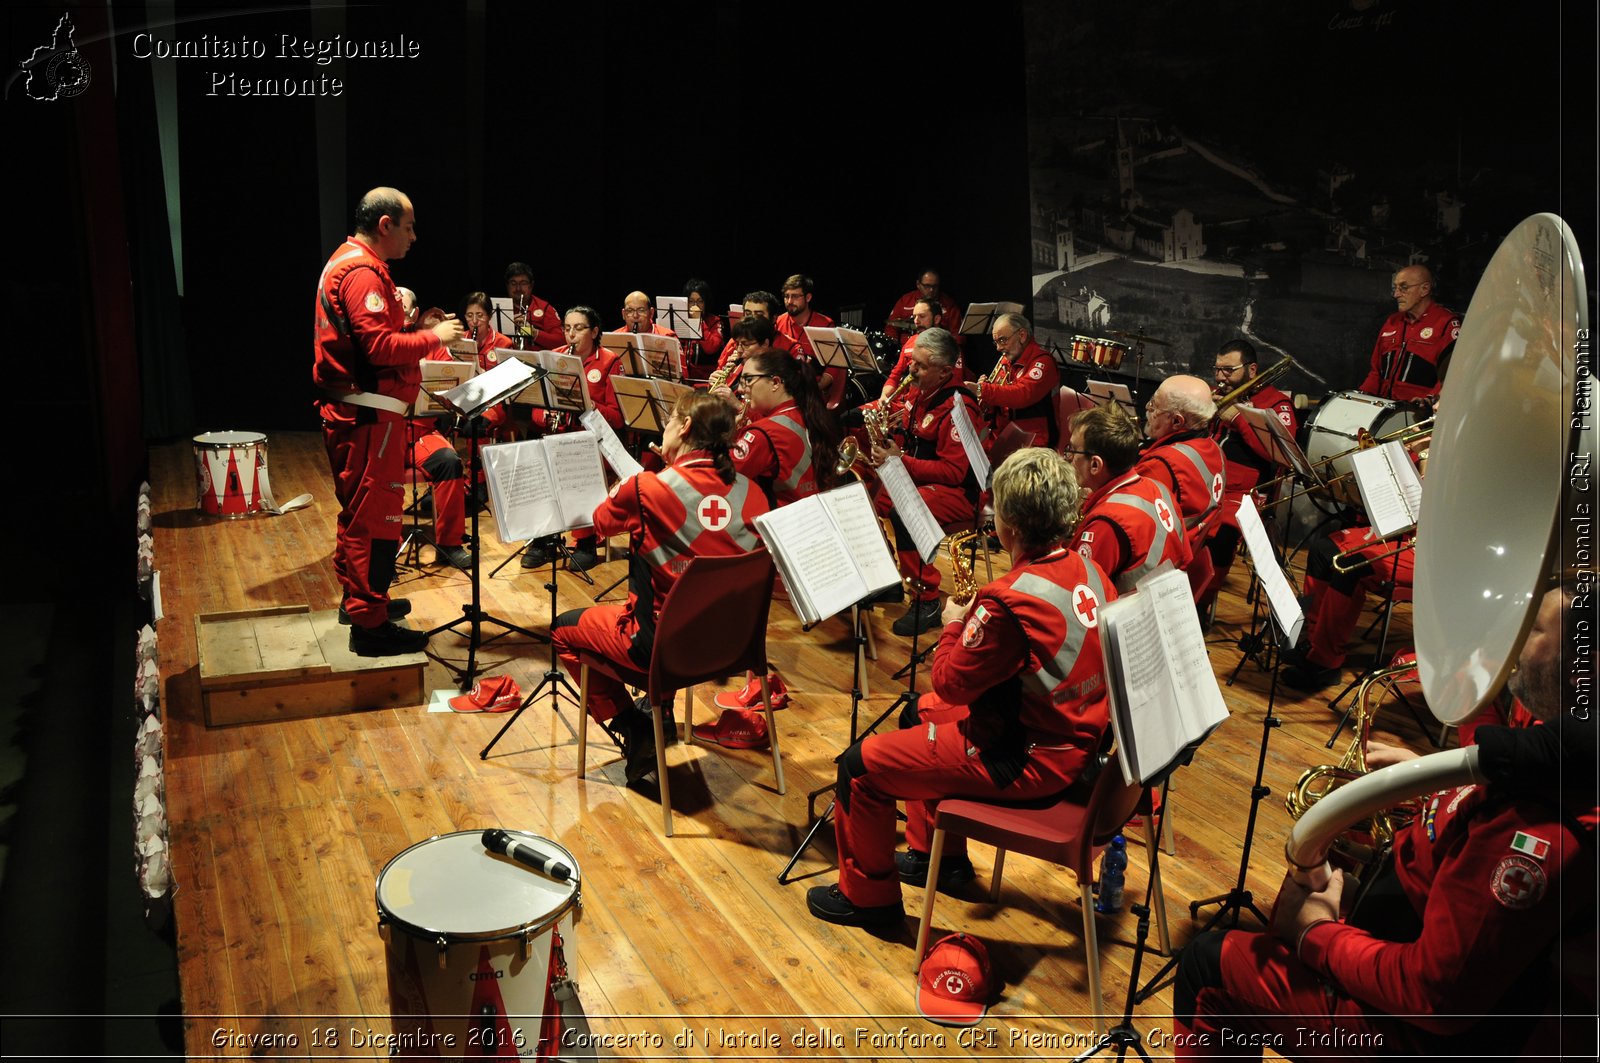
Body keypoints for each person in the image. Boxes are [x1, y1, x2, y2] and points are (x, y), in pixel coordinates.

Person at [1174, 581, 1595, 1059]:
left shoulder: (1543, 830)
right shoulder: (1559, 743)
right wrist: (1436, 782)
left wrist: (1316, 936)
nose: (1517, 641)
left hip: (1424, 1034)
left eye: (1536, 630)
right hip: (1415, 926)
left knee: (1206, 965)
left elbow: (1433, 997)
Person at [807, 447, 1114, 926]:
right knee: (916, 712)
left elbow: (950, 682)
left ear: (1008, 524)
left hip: (1024, 758)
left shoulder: (1010, 601)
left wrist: (953, 623)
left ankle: (869, 900)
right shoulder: (1090, 571)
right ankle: (940, 859)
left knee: (859, 769)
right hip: (1069, 739)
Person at [550, 393, 771, 782]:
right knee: (671, 603)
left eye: (668, 421)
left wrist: (641, 479)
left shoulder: (646, 488)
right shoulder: (754, 493)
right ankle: (659, 710)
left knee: (563, 630)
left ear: (684, 428)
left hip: (663, 654)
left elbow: (600, 524)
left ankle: (632, 723)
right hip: (733, 650)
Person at [312, 187, 465, 656]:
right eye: (410, 226)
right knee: (375, 524)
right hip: (368, 418)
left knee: (361, 516)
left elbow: (372, 341)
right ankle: (370, 627)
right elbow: (377, 349)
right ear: (385, 225)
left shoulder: (349, 262)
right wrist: (433, 337)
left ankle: (360, 603)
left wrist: (414, 332)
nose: (414, 237)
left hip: (365, 415)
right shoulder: (360, 272)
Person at [708, 349, 844, 729]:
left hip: (782, 548)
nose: (743, 386)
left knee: (705, 538)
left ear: (776, 382)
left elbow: (720, 475)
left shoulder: (765, 433)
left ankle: (747, 672)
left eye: (749, 380)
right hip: (812, 529)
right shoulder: (802, 415)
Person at [867, 327, 979, 637]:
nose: (911, 370)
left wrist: (899, 460)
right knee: (870, 499)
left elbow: (954, 473)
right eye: (912, 362)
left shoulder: (960, 408)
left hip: (960, 493)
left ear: (945, 371)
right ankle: (891, 580)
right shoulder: (919, 391)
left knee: (906, 510)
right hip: (922, 478)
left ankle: (927, 599)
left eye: (920, 366)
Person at [521, 305, 626, 572]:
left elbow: (617, 417)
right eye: (567, 328)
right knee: (537, 460)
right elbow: (536, 409)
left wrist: (588, 404)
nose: (571, 335)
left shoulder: (610, 361)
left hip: (591, 442)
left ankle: (586, 541)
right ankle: (544, 537)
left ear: (594, 331)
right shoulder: (553, 358)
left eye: (578, 329)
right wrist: (544, 415)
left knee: (576, 461)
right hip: (557, 434)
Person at [1201, 340, 1297, 609]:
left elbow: (1281, 453)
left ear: (1252, 369)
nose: (1220, 377)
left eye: (1228, 370)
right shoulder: (1217, 392)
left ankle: (1201, 603)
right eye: (1217, 369)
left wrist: (1237, 419)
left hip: (1246, 492)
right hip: (1206, 479)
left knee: (1222, 533)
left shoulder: (1276, 403)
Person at [1065, 403, 1191, 592]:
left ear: (1095, 465)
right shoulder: (1157, 487)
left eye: (1073, 450)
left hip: (1128, 615)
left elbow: (1077, 590)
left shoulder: (1106, 524)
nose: (1068, 458)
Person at [1281, 522, 1415, 694]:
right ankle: (1314, 644)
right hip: (1404, 531)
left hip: (1434, 551)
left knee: (1351, 568)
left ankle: (1325, 663)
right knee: (1321, 550)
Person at [395, 287, 471, 571]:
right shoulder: (378, 339)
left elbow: (451, 384)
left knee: (450, 461)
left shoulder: (432, 344)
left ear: (413, 314)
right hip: (384, 430)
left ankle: (450, 545)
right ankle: (380, 551)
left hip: (420, 431)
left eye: (400, 307)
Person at [1133, 375, 1226, 554]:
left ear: (1177, 421)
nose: (1147, 408)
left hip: (1163, 561)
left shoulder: (1160, 465)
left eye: (1154, 406)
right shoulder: (1215, 449)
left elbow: (1135, 525)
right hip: (1190, 553)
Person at [1358, 264, 1460, 404]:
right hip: (1384, 411)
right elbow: (1376, 372)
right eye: (1395, 288)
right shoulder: (1392, 321)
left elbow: (1452, 376)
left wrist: (1429, 400)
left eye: (1404, 288)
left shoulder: (1446, 323)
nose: (1396, 294)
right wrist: (1361, 397)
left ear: (1424, 289)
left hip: (1419, 415)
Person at [966, 311, 1060, 450]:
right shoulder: (1007, 359)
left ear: (1022, 335)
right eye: (996, 342)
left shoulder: (1043, 362)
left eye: (1003, 340)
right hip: (1006, 435)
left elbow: (1022, 394)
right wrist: (985, 389)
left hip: (1033, 442)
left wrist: (982, 389)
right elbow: (999, 398)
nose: (998, 348)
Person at [884, 269, 963, 346]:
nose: (931, 290)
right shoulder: (905, 301)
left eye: (935, 286)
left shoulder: (949, 304)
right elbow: (891, 328)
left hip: (938, 349)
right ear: (918, 284)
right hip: (907, 346)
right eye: (927, 286)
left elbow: (958, 335)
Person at [504, 261, 565, 351]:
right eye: (513, 283)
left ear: (531, 285)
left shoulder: (544, 308)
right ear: (507, 285)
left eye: (523, 283)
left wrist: (534, 332)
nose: (518, 288)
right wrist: (508, 325)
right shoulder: (499, 307)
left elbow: (561, 341)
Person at [681, 277, 724, 380]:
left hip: (705, 379)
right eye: (691, 301)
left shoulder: (715, 321)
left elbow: (711, 348)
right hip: (683, 378)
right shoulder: (681, 319)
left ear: (706, 303)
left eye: (700, 301)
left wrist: (699, 321)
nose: (695, 306)